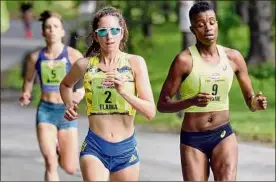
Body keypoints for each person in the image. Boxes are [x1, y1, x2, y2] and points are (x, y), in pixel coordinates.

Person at [157, 1, 267, 181]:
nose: (207, 27)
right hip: (193, 139)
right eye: (201, 24)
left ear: (217, 24)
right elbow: (162, 104)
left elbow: (250, 100)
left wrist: (256, 102)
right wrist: (191, 101)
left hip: (223, 134)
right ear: (193, 30)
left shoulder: (233, 57)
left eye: (212, 22)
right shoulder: (184, 61)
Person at [60, 7, 156, 181]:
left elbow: (150, 112)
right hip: (95, 147)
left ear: (122, 32)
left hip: (126, 150)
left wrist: (124, 92)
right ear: (96, 36)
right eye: (103, 31)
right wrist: (69, 105)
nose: (109, 36)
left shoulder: (135, 63)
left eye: (114, 30)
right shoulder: (85, 65)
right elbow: (66, 85)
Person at [19, 10, 85, 181]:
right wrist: (26, 93)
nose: (52, 30)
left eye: (56, 26)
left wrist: (79, 93)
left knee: (70, 168)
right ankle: (52, 152)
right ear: (42, 32)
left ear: (62, 31)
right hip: (46, 111)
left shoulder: (73, 55)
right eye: (48, 27)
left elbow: (88, 83)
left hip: (66, 112)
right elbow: (28, 80)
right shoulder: (35, 57)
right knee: (50, 163)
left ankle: (58, 149)